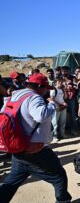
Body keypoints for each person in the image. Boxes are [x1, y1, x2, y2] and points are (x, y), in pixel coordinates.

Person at [0, 73, 72, 203]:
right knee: (59, 177)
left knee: (11, 183)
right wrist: (51, 104)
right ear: (39, 86)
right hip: (36, 151)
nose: (46, 92)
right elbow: (41, 116)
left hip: (19, 149)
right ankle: (63, 200)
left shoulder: (15, 95)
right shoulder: (34, 97)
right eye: (45, 88)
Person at [51, 77, 68, 141]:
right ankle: (54, 136)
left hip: (63, 107)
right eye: (59, 81)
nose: (60, 83)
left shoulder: (62, 89)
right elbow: (52, 99)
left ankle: (62, 134)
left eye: (61, 81)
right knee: (55, 122)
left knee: (63, 121)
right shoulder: (53, 89)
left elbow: (65, 97)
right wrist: (60, 104)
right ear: (55, 82)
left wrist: (65, 90)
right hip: (56, 107)